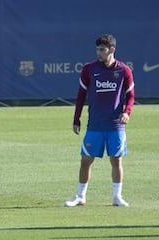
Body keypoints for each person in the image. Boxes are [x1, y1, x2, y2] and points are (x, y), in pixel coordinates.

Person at [64, 34, 135, 207]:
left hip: (115, 125)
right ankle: (80, 196)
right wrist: (76, 118)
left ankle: (117, 197)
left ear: (112, 50)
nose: (98, 53)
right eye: (97, 49)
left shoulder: (124, 70)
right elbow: (81, 95)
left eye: (102, 50)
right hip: (94, 125)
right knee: (86, 160)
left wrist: (127, 112)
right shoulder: (89, 69)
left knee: (116, 160)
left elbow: (130, 95)